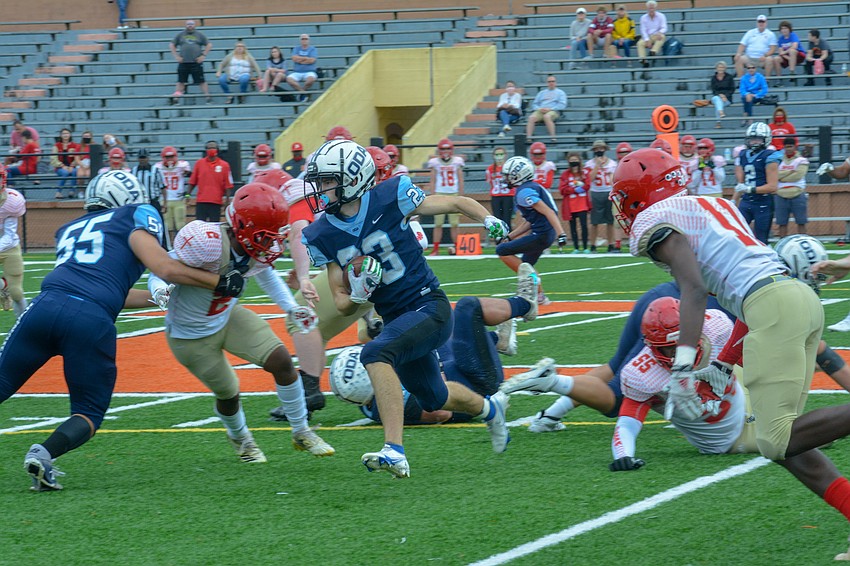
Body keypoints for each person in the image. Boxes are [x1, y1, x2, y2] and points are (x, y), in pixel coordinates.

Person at [610, 147, 850, 558]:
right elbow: (745, 286)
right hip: (792, 300)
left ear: (639, 193)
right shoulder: (714, 204)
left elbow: (693, 289)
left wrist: (682, 367)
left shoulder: (656, 219)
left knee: (775, 440)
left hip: (772, 307)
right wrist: (723, 363)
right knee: (788, 446)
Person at [0, 170, 246, 491]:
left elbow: (107, 288)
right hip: (90, 319)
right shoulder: (135, 214)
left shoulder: (69, 228)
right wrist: (220, 282)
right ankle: (43, 454)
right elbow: (164, 266)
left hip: (45, 306)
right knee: (89, 411)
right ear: (128, 197)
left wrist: (158, 297)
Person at [301, 139, 514, 478]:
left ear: (353, 178)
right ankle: (492, 409)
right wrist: (359, 295)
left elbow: (455, 201)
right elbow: (341, 302)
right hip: (397, 320)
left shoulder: (390, 195)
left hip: (429, 305)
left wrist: (487, 218)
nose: (320, 189)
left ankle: (394, 450)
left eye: (327, 180)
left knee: (375, 353)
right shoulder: (322, 233)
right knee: (434, 397)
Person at [148, 183, 333, 463]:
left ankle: (301, 431)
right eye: (266, 235)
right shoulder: (207, 243)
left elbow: (266, 274)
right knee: (229, 394)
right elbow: (163, 267)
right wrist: (159, 289)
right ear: (243, 227)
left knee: (282, 361)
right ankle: (241, 438)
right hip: (191, 335)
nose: (272, 243)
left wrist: (291, 308)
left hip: (227, 317)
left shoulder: (253, 246)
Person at [502, 281, 732, 432]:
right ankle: (552, 381)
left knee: (614, 367)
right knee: (616, 398)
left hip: (660, 297)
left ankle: (550, 415)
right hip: (679, 310)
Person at [261, 168, 387, 421]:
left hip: (359, 266)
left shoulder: (295, 197)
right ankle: (306, 396)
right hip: (374, 266)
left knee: (300, 314)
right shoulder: (321, 195)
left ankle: (308, 392)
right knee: (320, 328)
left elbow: (299, 232)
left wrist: (304, 276)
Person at [343, 292, 535, 425]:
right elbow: (441, 412)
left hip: (455, 369)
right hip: (476, 383)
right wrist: (435, 364)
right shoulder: (387, 402)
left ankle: (497, 340)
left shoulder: (368, 398)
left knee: (433, 327)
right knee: (467, 308)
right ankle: (525, 303)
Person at [609, 297, 754, 470]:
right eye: (670, 347)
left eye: (685, 342)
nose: (680, 353)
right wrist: (623, 455)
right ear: (653, 347)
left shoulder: (716, 326)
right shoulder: (643, 375)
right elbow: (627, 422)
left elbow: (748, 360)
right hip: (730, 439)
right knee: (776, 443)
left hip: (741, 391)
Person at [496, 156, 563, 304]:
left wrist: (561, 234)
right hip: (544, 233)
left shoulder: (524, 192)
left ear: (517, 175)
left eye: (508, 175)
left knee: (502, 250)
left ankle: (532, 289)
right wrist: (510, 236)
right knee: (525, 264)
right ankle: (539, 296)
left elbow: (549, 212)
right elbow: (530, 221)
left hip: (542, 234)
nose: (505, 179)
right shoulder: (530, 187)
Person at [734, 122, 780, 244]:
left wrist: (750, 189)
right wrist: (733, 201)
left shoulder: (770, 156)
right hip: (746, 201)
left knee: (761, 239)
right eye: (752, 139)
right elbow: (740, 184)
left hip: (763, 203)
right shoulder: (743, 154)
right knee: (737, 234)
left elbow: (772, 187)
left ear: (766, 139)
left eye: (758, 139)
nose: (754, 142)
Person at [426, 138, 465, 256]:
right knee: (438, 223)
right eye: (443, 149)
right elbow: (433, 180)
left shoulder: (457, 161)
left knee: (454, 223)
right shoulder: (435, 162)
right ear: (439, 150)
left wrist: (461, 196)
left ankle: (457, 247)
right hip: (440, 194)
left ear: (452, 149)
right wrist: (433, 196)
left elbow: (460, 179)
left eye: (448, 148)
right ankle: (435, 249)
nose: (445, 151)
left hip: (453, 194)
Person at [0, 165, 27, 316]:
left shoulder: (12, 201)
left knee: (16, 292)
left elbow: (9, 236)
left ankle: (23, 323)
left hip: (9, 247)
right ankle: (2, 286)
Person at [187, 140, 233, 222]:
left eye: (213, 147)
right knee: (200, 224)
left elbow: (228, 185)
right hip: (201, 201)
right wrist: (187, 195)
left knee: (214, 225)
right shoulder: (199, 163)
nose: (211, 149)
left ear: (217, 150)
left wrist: (227, 201)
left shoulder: (225, 165)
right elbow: (192, 182)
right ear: (206, 150)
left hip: (216, 202)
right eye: (209, 148)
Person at [584, 139, 617, 252]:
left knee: (610, 221)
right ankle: (593, 245)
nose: (599, 150)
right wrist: (597, 165)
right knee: (594, 222)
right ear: (594, 150)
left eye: (601, 148)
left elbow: (614, 180)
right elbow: (589, 179)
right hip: (596, 192)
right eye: (597, 148)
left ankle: (611, 244)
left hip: (608, 192)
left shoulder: (612, 164)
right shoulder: (589, 164)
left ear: (605, 149)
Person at [154, 146, 192, 242]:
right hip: (165, 201)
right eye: (167, 157)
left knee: (180, 224)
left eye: (171, 157)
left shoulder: (182, 165)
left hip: (179, 200)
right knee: (167, 226)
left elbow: (190, 174)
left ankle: (180, 244)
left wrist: (186, 172)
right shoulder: (158, 167)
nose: (169, 159)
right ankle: (170, 244)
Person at [169, 20, 212, 105]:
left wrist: (203, 55)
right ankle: (176, 99)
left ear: (194, 25)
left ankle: (208, 98)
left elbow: (209, 44)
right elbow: (172, 44)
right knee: (181, 81)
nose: (190, 26)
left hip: (196, 62)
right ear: (186, 25)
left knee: (201, 81)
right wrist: (176, 56)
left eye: (191, 24)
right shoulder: (180, 34)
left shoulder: (199, 35)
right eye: (188, 24)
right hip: (183, 62)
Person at [774, 137, 809, 238]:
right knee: (782, 223)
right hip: (780, 194)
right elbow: (774, 175)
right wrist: (790, 171)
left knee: (801, 222)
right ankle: (782, 243)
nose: (788, 149)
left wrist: (782, 176)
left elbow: (798, 176)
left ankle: (803, 241)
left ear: (795, 147)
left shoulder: (802, 160)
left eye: (790, 146)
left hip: (797, 193)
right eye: (786, 147)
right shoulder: (778, 159)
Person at [558, 153, 589, 253]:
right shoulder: (565, 174)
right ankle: (576, 247)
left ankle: (585, 247)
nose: (574, 162)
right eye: (571, 160)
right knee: (573, 227)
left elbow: (587, 185)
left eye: (575, 160)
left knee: (584, 226)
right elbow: (562, 189)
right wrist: (573, 190)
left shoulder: (584, 173)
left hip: (582, 204)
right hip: (570, 205)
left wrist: (582, 187)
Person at [525, 76, 567, 143]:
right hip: (541, 110)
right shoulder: (541, 93)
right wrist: (539, 109)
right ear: (547, 83)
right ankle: (529, 138)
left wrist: (550, 109)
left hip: (553, 111)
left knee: (547, 116)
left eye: (553, 81)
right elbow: (534, 104)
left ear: (556, 82)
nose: (551, 83)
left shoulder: (560, 93)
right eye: (549, 82)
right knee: (531, 118)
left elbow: (562, 105)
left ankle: (553, 138)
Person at [131, 149, 166, 216]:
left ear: (148, 158)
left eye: (144, 157)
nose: (142, 160)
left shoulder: (156, 171)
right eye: (141, 158)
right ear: (138, 159)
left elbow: (163, 188)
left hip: (153, 202)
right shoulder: (133, 171)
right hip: (139, 203)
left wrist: (165, 203)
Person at [286, 34, 318, 102]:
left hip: (309, 71)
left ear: (309, 40)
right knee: (289, 79)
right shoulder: (296, 48)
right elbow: (294, 58)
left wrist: (300, 60)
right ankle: (303, 93)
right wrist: (306, 58)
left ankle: (301, 92)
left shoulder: (312, 49)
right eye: (302, 39)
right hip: (297, 72)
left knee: (310, 80)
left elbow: (312, 60)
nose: (304, 40)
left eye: (306, 39)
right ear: (300, 40)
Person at [487, 147, 513, 230]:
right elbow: (490, 182)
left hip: (508, 195)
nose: (499, 156)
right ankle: (499, 237)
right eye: (497, 154)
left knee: (507, 219)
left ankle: (509, 237)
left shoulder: (509, 167)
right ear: (493, 156)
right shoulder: (490, 169)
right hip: (496, 196)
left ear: (505, 155)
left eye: (501, 154)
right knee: (497, 219)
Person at [51, 128, 80, 200]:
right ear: (61, 135)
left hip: (72, 166)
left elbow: (77, 157)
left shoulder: (75, 145)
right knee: (65, 173)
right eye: (63, 133)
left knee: (74, 171)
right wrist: (62, 165)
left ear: (70, 135)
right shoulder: (56, 146)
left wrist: (72, 165)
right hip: (60, 167)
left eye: (67, 133)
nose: (65, 135)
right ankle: (58, 192)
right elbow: (53, 159)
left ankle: (72, 191)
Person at [637, 0, 667, 68]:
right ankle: (643, 60)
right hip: (648, 36)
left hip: (657, 35)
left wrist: (660, 32)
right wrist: (647, 40)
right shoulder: (643, 18)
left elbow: (664, 27)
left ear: (655, 8)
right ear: (647, 8)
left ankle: (653, 51)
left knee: (662, 37)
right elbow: (643, 30)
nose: (651, 9)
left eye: (652, 8)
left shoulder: (661, 16)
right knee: (640, 43)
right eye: (650, 8)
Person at [710, 61, 734, 128]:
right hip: (717, 96)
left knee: (718, 104)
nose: (721, 69)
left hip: (727, 99)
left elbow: (732, 89)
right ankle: (721, 113)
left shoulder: (729, 77)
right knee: (717, 99)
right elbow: (714, 90)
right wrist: (721, 95)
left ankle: (718, 123)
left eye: (722, 67)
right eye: (719, 67)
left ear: (725, 68)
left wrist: (725, 96)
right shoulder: (713, 78)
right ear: (716, 68)